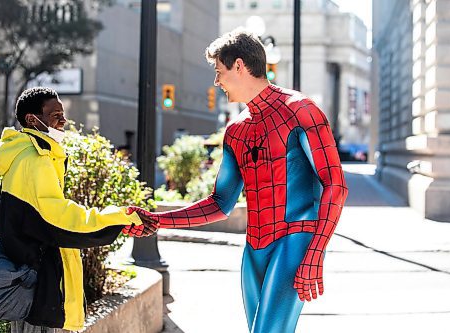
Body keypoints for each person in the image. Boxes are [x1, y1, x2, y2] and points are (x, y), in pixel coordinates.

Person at [127, 28, 348, 333]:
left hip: (296, 238)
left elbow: (334, 185)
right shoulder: (236, 130)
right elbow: (220, 203)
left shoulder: (300, 110)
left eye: (219, 72)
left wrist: (315, 253)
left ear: (240, 66)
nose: (217, 82)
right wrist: (158, 220)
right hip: (254, 248)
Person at [0, 87, 153, 333]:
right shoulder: (35, 159)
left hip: (28, 277)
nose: (63, 120)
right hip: (39, 284)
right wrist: (118, 218)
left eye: (63, 113)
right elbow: (61, 218)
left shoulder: (24, 152)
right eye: (55, 114)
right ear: (31, 119)